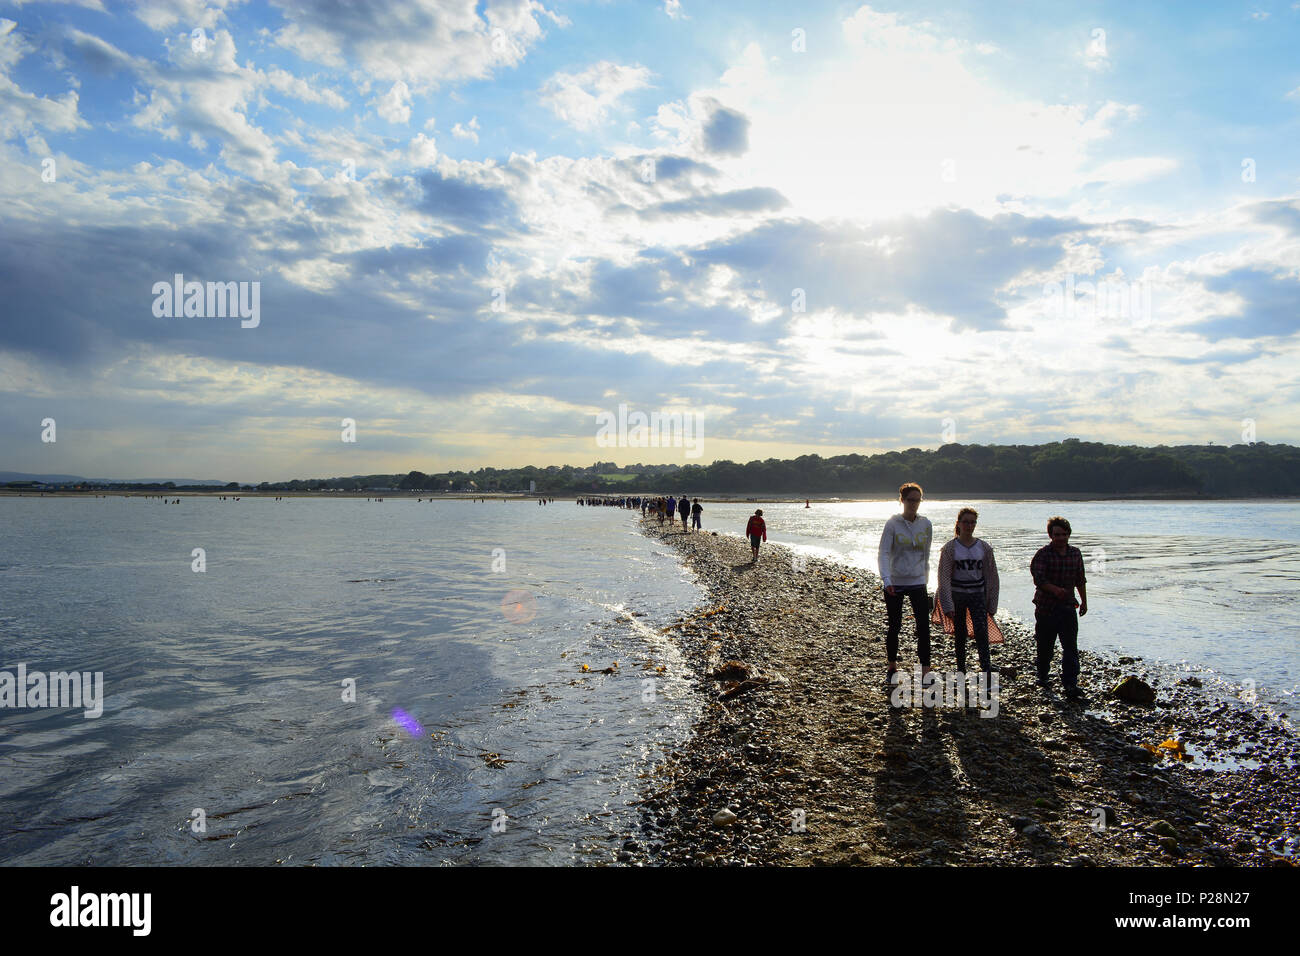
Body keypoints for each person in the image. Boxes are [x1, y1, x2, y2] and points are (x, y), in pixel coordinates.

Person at [878, 482, 934, 682]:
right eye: (910, 500)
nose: (914, 504)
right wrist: (886, 579)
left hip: (918, 581)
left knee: (923, 626)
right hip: (895, 581)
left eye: (917, 500)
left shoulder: (925, 524)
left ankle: (926, 670)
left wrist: (926, 579)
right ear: (902, 500)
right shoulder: (892, 524)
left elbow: (926, 554)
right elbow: (883, 552)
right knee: (895, 625)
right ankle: (892, 666)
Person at [937, 507, 1000, 677]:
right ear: (959, 524)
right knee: (960, 633)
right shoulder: (950, 548)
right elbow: (943, 578)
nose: (969, 525)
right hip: (957, 594)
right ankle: (961, 668)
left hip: (977, 595)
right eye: (966, 522)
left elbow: (992, 577)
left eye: (972, 522)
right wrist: (947, 603)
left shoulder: (984, 547)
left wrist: (992, 603)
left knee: (981, 631)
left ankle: (986, 667)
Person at [1030, 516, 1089, 698]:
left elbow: (1080, 579)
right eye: (1057, 535)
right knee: (1045, 645)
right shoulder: (1043, 554)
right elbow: (1038, 579)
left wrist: (1084, 601)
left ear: (1068, 534)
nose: (1061, 538)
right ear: (1050, 535)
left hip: (1068, 607)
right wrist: (1055, 590)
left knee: (1070, 646)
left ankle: (1070, 683)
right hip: (1046, 607)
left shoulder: (1075, 553)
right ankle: (1042, 675)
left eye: (1064, 534)